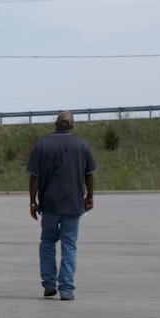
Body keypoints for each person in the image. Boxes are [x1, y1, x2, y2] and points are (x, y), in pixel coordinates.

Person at [26, 110, 96, 301]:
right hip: (73, 204)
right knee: (69, 245)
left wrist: (33, 202)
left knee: (48, 242)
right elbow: (89, 174)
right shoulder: (82, 145)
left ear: (56, 123)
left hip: (49, 204)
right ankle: (66, 289)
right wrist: (89, 197)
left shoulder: (43, 145)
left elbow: (35, 177)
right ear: (72, 125)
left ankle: (49, 284)